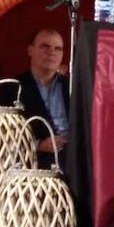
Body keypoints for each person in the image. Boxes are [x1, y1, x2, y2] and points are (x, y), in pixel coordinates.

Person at [17, 28, 69, 169]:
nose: (51, 52)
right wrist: (38, 145)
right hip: (33, 165)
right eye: (45, 46)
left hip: (73, 164)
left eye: (57, 48)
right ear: (30, 50)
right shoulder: (13, 87)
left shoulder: (73, 88)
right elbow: (0, 135)